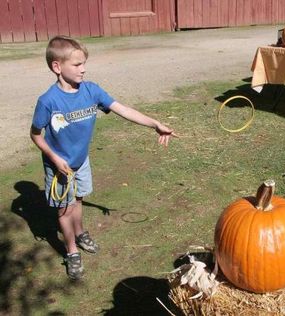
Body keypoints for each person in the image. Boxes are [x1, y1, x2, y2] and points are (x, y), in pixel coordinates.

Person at [30, 36, 177, 280]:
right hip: (60, 167)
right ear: (57, 67)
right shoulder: (48, 101)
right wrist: (54, 159)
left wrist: (155, 124)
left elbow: (123, 109)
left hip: (81, 161)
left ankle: (80, 233)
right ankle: (72, 250)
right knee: (64, 210)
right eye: (77, 65)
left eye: (84, 63)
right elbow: (36, 135)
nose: (83, 69)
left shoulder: (91, 90)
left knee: (77, 200)